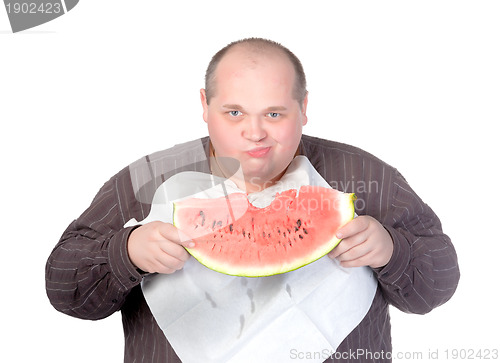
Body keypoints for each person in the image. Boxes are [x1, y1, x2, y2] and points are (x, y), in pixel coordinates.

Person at [46, 38, 460, 362]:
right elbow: (63, 287)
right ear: (204, 107)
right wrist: (127, 252)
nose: (255, 133)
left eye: (275, 114)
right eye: (234, 113)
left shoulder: (366, 177)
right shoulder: (146, 180)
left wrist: (392, 251)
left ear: (304, 108)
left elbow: (438, 285)